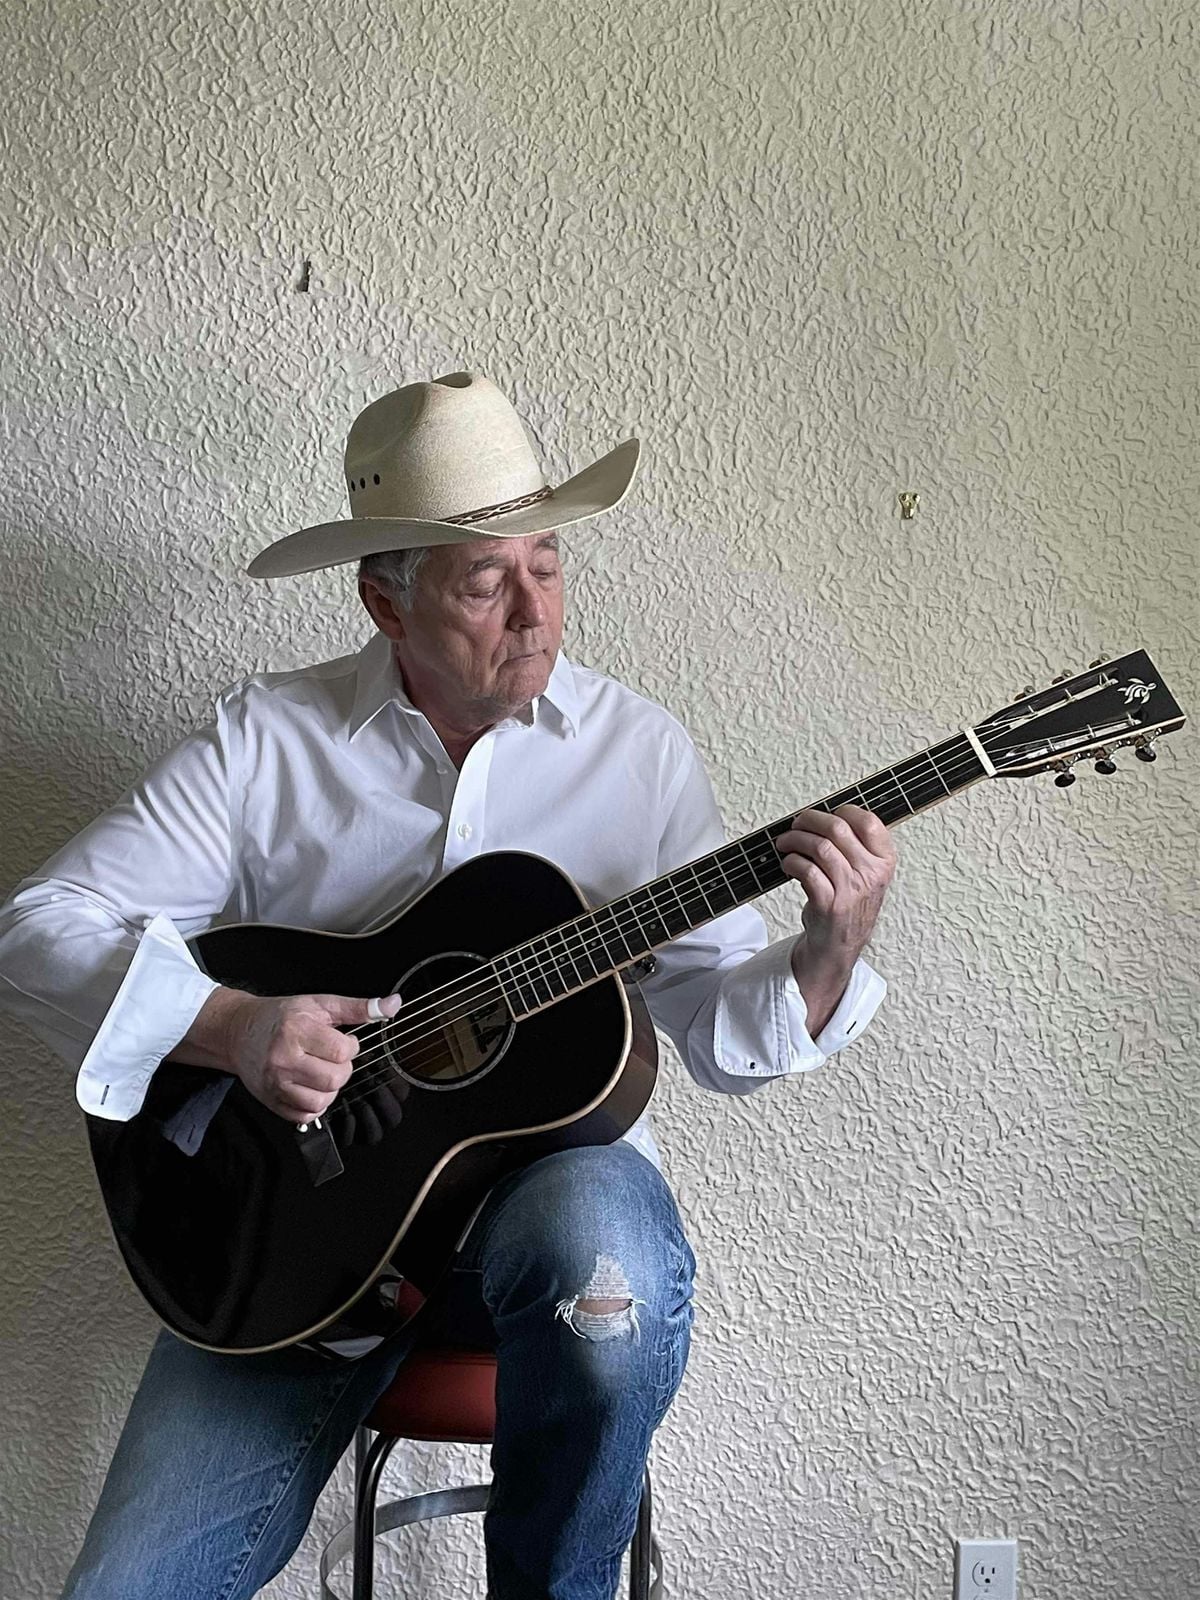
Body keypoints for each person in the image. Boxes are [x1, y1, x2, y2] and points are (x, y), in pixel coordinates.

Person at [0, 369, 897, 1599]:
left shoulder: (637, 756)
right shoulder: (269, 741)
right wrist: (230, 1024)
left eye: (548, 564)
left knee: (607, 1243)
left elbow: (717, 1034)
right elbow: (34, 929)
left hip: (533, 1237)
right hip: (294, 1253)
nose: (534, 611)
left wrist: (826, 949)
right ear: (387, 599)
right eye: (485, 581)